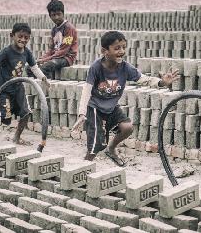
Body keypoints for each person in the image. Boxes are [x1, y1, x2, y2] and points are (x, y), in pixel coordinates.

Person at [71, 31, 179, 166]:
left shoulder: (125, 67)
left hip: (111, 108)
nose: (121, 51)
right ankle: (83, 168)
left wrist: (162, 82)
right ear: (104, 51)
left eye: (123, 47)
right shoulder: (96, 67)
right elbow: (87, 90)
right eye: (117, 48)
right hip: (94, 108)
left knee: (127, 128)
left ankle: (111, 149)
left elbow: (143, 79)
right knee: (96, 145)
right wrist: (82, 113)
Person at [0, 23, 50, 151]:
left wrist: (44, 79)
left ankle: (17, 137)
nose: (23, 40)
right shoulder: (7, 51)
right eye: (20, 36)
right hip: (5, 90)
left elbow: (34, 68)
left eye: (26, 37)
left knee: (26, 113)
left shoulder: (27, 52)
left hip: (18, 88)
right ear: (12, 36)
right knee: (6, 119)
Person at [28, 0, 77, 79]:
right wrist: (41, 59)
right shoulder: (54, 30)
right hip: (56, 57)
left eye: (58, 14)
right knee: (31, 67)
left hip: (66, 58)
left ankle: (47, 86)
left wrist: (46, 59)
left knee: (45, 68)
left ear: (63, 13)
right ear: (50, 16)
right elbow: (51, 49)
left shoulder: (68, 28)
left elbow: (63, 51)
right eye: (53, 15)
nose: (56, 17)